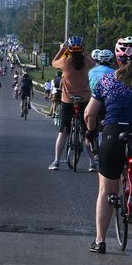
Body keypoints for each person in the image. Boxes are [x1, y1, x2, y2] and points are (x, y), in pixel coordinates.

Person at [83, 36, 132, 255]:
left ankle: (100, 241)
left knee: (106, 190)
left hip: (113, 135)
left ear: (117, 59)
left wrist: (90, 131)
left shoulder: (106, 81)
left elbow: (90, 113)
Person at [49, 36, 97, 171]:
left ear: (69, 50)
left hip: (68, 100)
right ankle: (92, 163)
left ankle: (56, 161)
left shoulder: (65, 61)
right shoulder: (87, 62)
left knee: (63, 130)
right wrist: (86, 52)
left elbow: (53, 62)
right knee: (87, 132)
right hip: (84, 99)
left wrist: (61, 50)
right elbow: (95, 63)